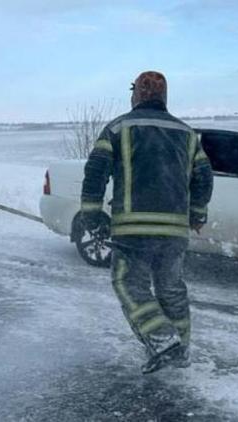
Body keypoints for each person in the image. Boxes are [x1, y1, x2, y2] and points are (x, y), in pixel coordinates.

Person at [80, 71, 213, 374]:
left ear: (136, 95)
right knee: (172, 289)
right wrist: (197, 214)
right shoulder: (187, 133)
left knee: (129, 284)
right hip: (175, 231)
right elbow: (204, 177)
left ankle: (164, 342)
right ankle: (181, 353)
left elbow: (95, 173)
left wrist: (91, 215)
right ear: (164, 97)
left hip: (133, 230)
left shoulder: (117, 128)